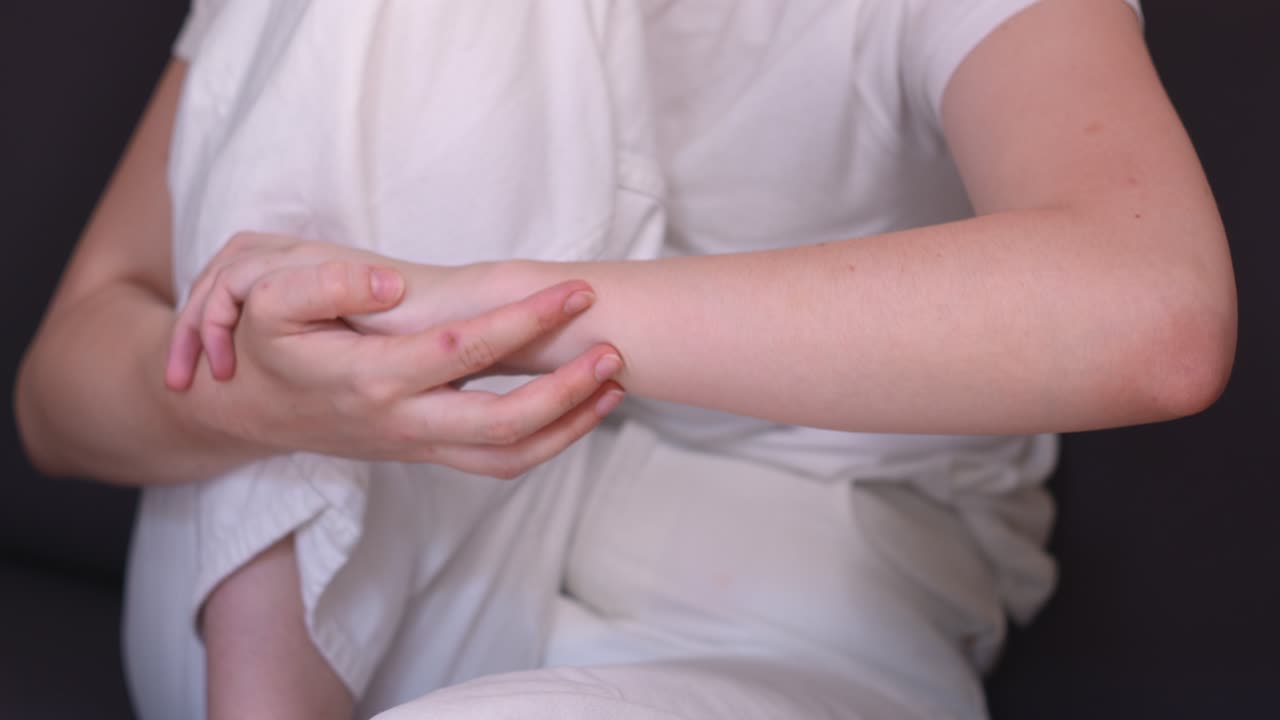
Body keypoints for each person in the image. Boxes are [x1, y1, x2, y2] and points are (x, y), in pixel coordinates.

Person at [13, 1, 1235, 719]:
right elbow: (58, 400)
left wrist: (504, 317)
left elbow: (1151, 311)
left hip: (781, 588)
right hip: (311, 563)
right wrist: (274, 397)